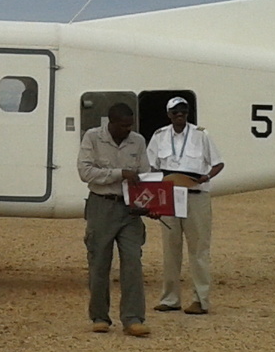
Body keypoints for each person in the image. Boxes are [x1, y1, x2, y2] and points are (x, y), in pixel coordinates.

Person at [76, 101, 150, 336]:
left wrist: (150, 204)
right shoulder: (93, 138)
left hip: (130, 210)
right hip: (102, 206)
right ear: (111, 123)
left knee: (133, 263)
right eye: (123, 125)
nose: (127, 129)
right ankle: (99, 316)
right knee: (99, 263)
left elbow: (145, 174)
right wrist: (120, 174)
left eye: (130, 125)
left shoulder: (138, 141)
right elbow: (85, 172)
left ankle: (133, 318)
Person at [146, 96, 224, 314]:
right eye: (176, 112)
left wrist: (206, 177)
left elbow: (218, 163)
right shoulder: (159, 136)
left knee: (199, 249)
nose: (180, 115)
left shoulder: (201, 134)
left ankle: (201, 299)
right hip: (169, 195)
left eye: (184, 112)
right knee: (170, 248)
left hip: (196, 194)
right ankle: (170, 299)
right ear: (169, 114)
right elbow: (151, 166)